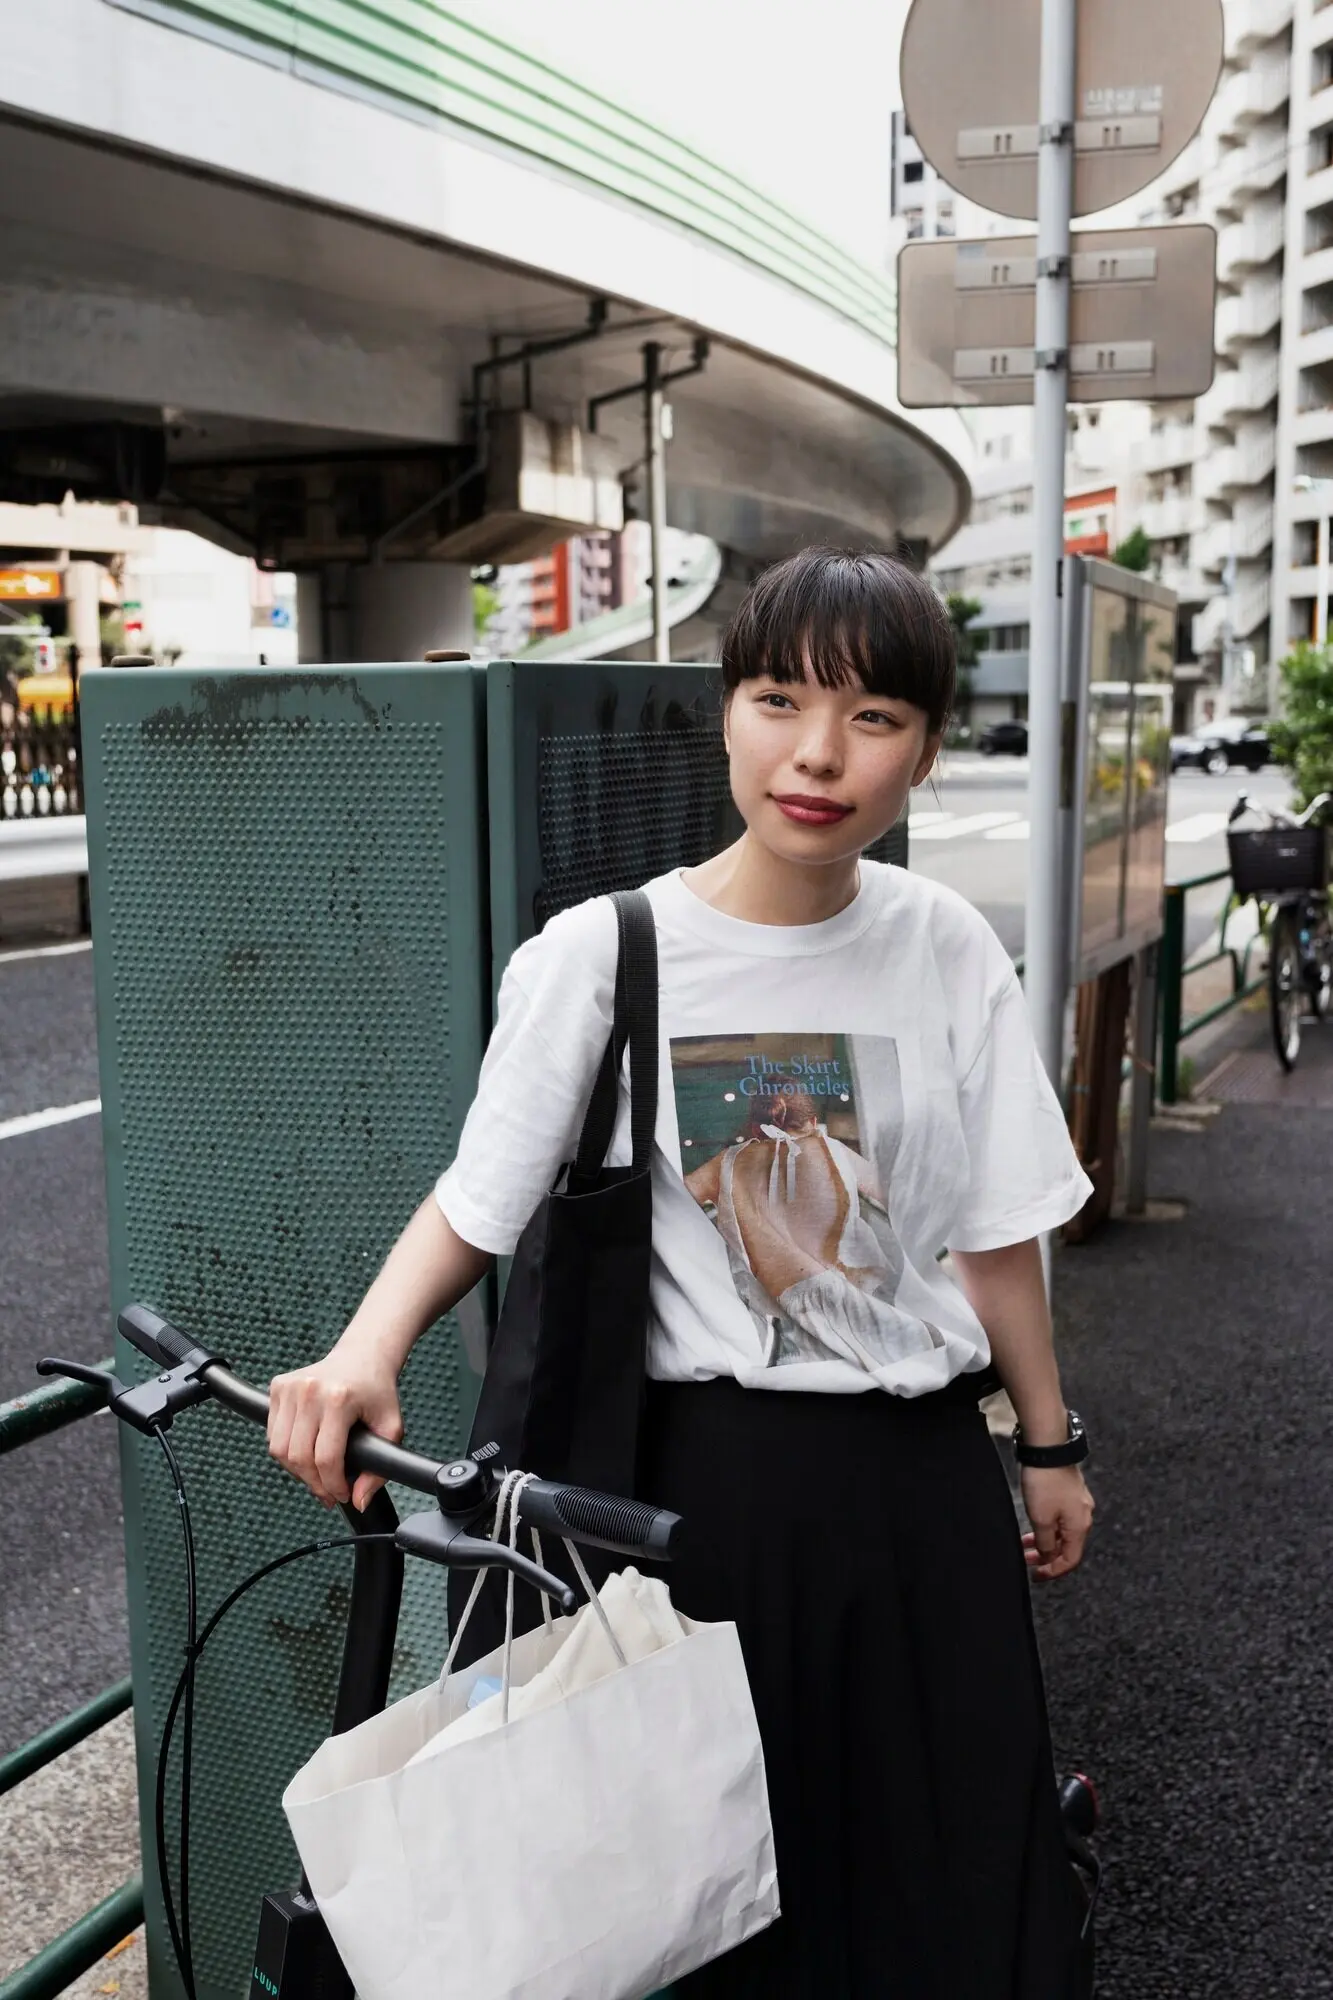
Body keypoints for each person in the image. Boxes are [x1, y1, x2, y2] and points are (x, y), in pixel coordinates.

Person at [268, 546, 1096, 1998]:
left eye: (875, 718)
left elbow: (995, 1228)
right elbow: (479, 1200)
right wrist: (365, 1350)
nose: (819, 755)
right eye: (780, 700)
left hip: (917, 1495)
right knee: (705, 1900)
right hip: (698, 1504)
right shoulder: (607, 956)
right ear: (726, 713)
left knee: (942, 1884)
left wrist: (1048, 1441)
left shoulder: (945, 946)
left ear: (927, 746)